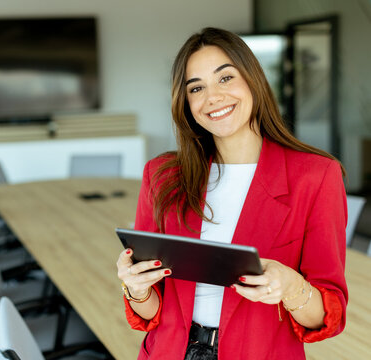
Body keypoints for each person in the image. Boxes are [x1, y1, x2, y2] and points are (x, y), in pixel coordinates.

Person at [116, 27, 348, 360]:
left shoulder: (315, 176)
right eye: (197, 88)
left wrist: (291, 286)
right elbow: (154, 312)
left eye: (225, 79)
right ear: (186, 103)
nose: (212, 98)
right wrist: (136, 289)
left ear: (254, 79)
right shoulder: (162, 175)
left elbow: (328, 315)